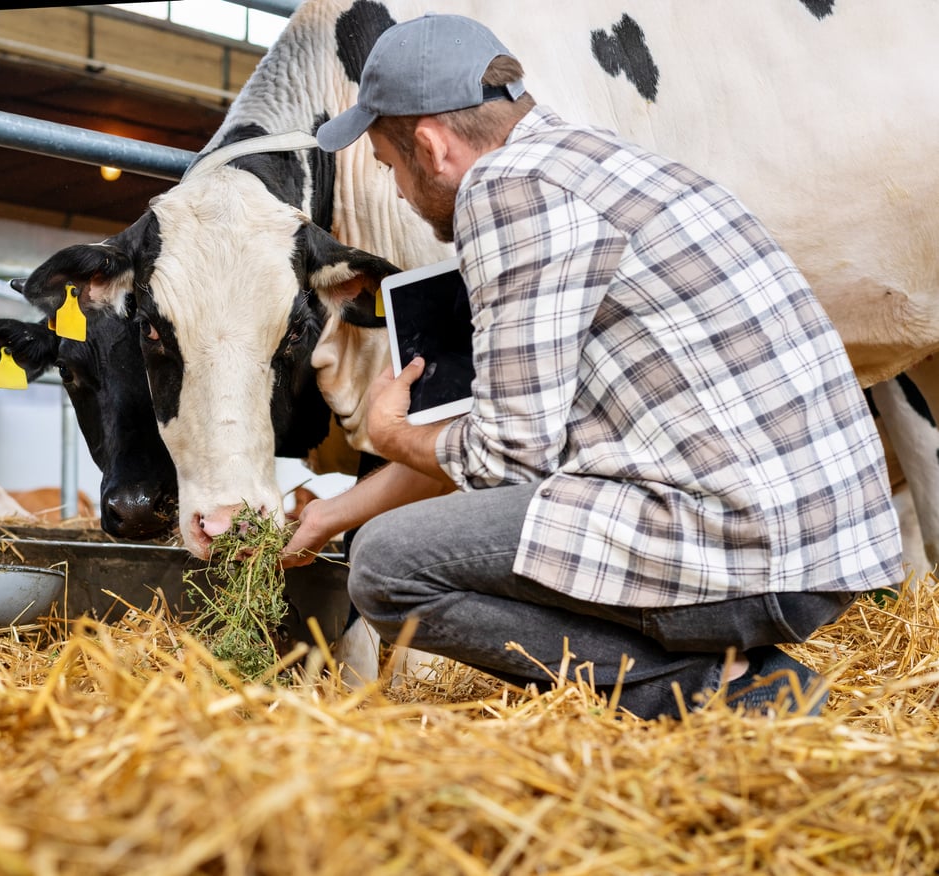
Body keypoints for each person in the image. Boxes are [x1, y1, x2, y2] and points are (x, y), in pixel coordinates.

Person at [281, 13, 903, 719]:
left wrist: (388, 435)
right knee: (409, 537)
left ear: (429, 146)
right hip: (817, 544)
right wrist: (335, 511)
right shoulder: (597, 161)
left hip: (746, 547)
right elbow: (499, 437)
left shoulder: (506, 191)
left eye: (388, 165)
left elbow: (506, 458)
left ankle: (737, 695)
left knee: (388, 568)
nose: (395, 188)